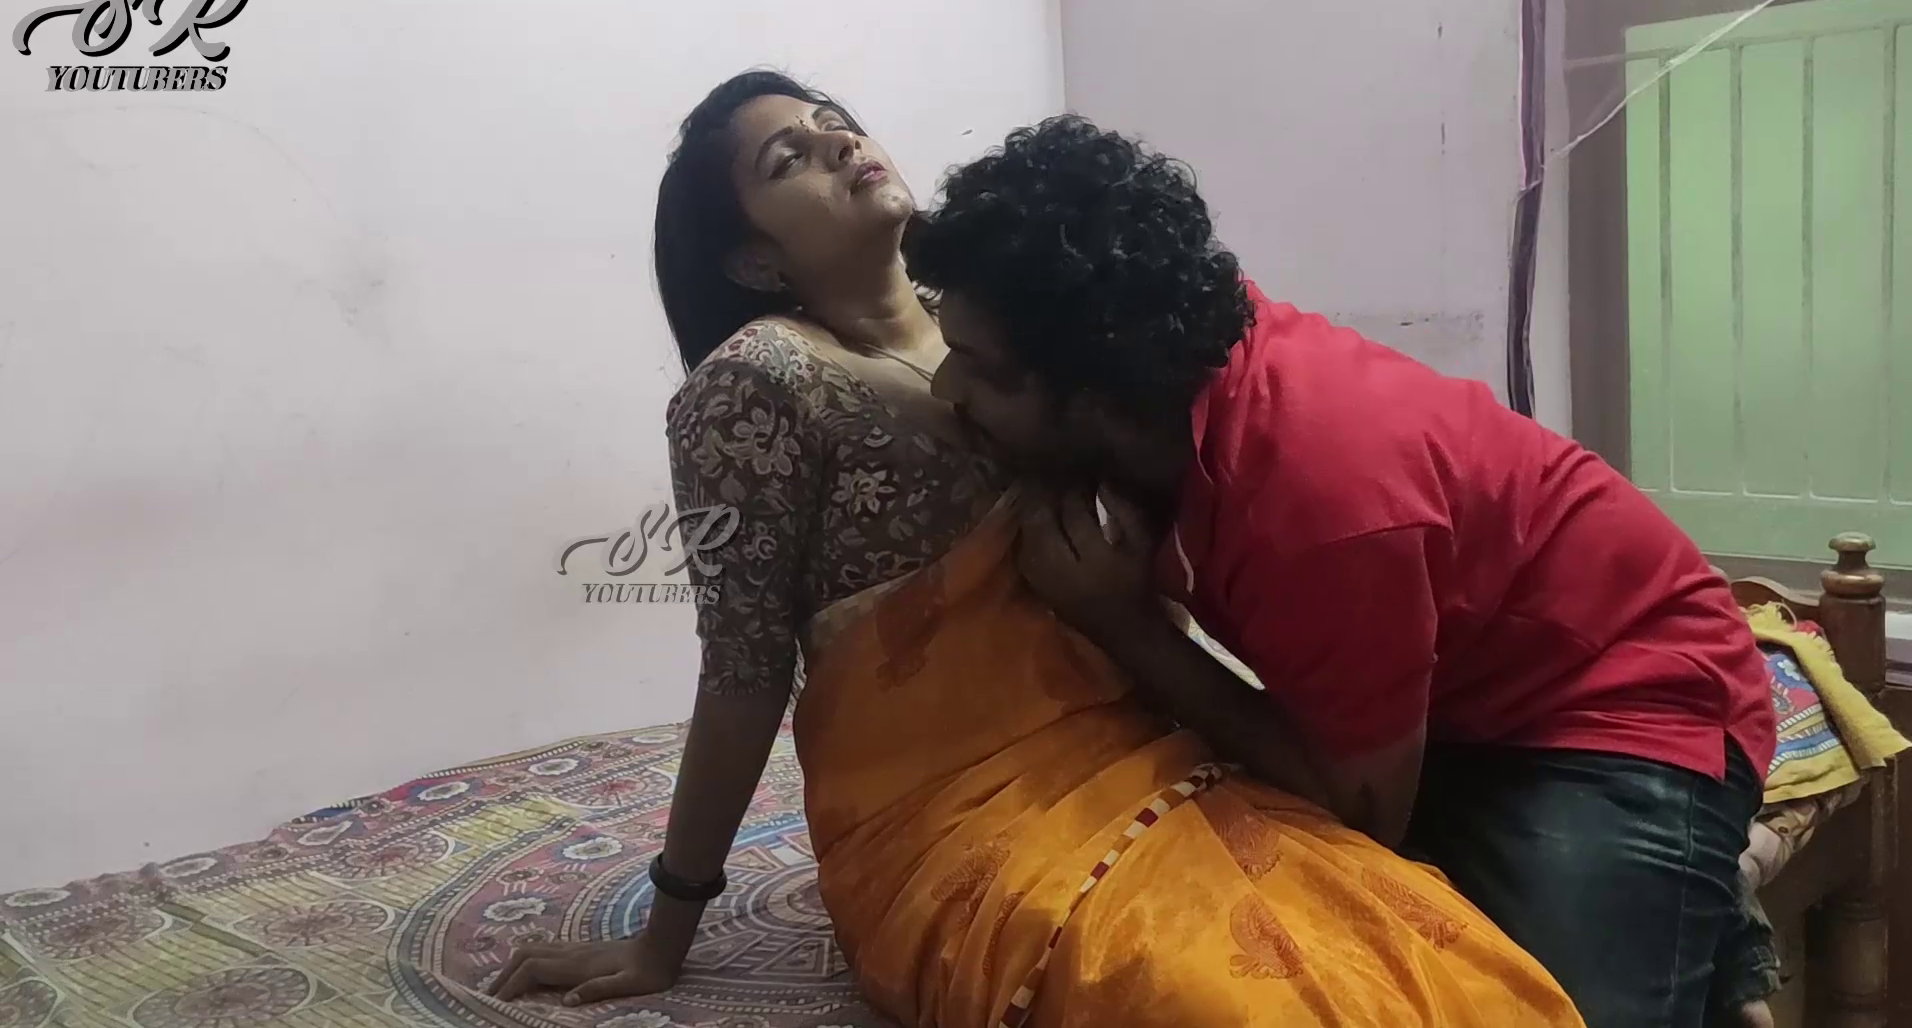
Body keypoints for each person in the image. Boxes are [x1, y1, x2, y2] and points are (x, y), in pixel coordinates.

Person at [488, 70, 1583, 1026]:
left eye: (831, 119)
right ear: (753, 259)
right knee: (1222, 998)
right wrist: (668, 927)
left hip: (1149, 755)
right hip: (950, 812)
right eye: (789, 159)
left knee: (1432, 957)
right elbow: (742, 665)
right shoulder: (755, 387)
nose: (837, 140)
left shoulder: (1019, 318)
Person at [908, 114, 1776, 1028]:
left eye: (982, 370)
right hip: (1466, 692)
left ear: (1099, 394)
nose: (944, 391)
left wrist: (1127, 628)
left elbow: (1362, 810)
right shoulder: (1169, 363)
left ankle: (1699, 876)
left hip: (1633, 697)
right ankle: (1696, 917)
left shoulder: (1318, 494)